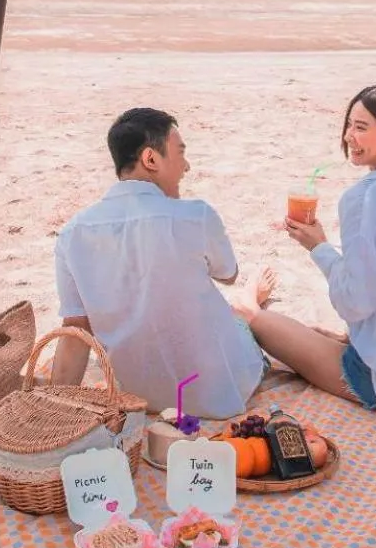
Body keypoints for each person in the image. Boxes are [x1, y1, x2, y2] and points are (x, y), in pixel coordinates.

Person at [237, 83, 376, 412]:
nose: (348, 136)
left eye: (361, 127)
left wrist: (318, 247)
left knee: (253, 317)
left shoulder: (363, 197)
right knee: (313, 333)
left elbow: (358, 300)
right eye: (348, 125)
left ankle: (249, 293)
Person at [49, 107, 272, 418]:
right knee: (241, 320)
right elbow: (228, 273)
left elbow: (76, 331)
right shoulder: (196, 215)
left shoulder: (72, 234)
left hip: (136, 396)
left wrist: (54, 410)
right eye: (180, 153)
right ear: (151, 159)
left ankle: (250, 300)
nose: (187, 166)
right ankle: (252, 299)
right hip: (218, 392)